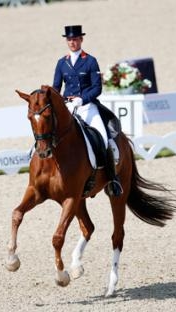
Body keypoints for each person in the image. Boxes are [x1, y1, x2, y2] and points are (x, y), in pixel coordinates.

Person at [53, 25, 122, 197]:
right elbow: (56, 88)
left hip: (88, 107)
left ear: (81, 40)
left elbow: (97, 88)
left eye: (75, 39)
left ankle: (112, 179)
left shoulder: (90, 61)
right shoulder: (62, 63)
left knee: (103, 139)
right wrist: (60, 102)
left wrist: (82, 99)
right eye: (69, 40)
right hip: (68, 108)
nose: (72, 42)